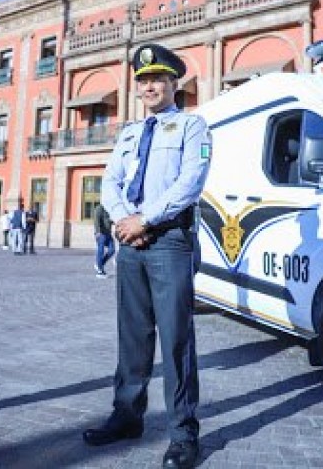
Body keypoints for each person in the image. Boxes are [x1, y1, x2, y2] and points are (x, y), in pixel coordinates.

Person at [82, 43, 212, 469]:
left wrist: (145, 220)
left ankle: (183, 433)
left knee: (176, 340)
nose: (150, 85)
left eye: (157, 78)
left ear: (175, 83)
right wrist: (124, 222)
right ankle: (127, 416)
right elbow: (110, 184)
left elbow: (190, 183)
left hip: (170, 242)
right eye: (143, 80)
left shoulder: (193, 127)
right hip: (131, 244)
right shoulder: (129, 134)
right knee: (133, 337)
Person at [92, 203, 115, 278]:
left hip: (108, 233)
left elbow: (110, 220)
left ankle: (99, 264)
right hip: (101, 234)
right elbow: (96, 219)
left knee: (112, 250)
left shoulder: (110, 209)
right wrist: (98, 231)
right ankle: (100, 271)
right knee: (100, 251)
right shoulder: (99, 208)